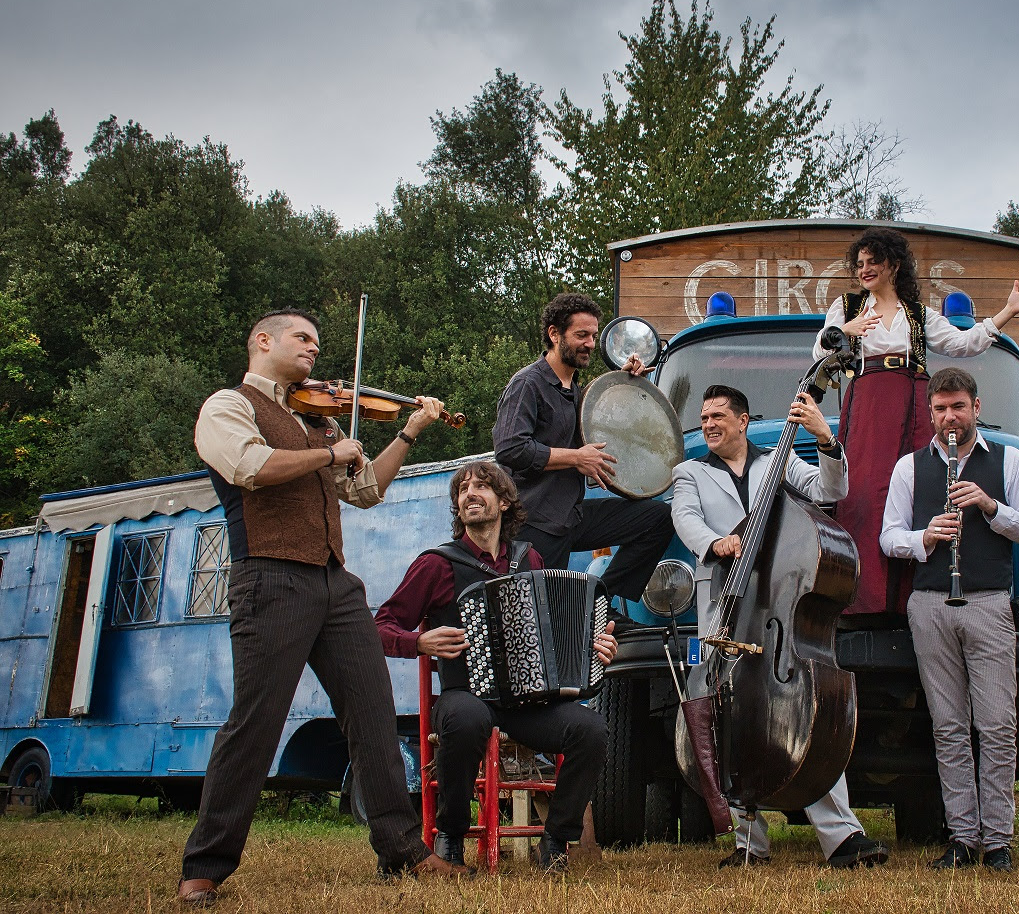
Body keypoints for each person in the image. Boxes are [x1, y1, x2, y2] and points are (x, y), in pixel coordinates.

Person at [178, 308, 466, 905]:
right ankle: (205, 866)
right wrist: (330, 455)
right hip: (269, 577)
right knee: (255, 722)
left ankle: (403, 850)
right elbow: (250, 467)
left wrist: (408, 431)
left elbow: (367, 491)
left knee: (372, 713)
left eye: (317, 341)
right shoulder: (227, 406)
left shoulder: (317, 420)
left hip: (335, 585)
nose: (314, 349)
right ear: (262, 340)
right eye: (302, 337)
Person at [671, 384, 890, 870]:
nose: (708, 424)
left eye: (718, 416)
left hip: (777, 604)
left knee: (806, 712)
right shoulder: (690, 473)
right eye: (703, 417)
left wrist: (826, 441)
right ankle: (749, 843)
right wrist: (716, 543)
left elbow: (830, 492)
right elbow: (685, 519)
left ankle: (842, 836)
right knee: (727, 715)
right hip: (725, 605)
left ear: (744, 421)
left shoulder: (778, 460)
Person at [375, 460, 615, 874]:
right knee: (466, 718)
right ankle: (450, 834)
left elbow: (556, 628)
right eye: (462, 489)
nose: (469, 493)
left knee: (590, 729)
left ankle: (555, 838)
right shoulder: (437, 563)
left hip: (530, 703)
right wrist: (419, 641)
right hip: (465, 694)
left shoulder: (529, 558)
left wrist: (595, 645)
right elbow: (381, 626)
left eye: (481, 487)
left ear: (504, 502)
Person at [814, 227, 1019, 617]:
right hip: (869, 402)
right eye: (859, 265)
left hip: (912, 403)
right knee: (864, 491)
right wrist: (844, 332)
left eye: (873, 262)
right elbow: (819, 350)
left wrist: (1009, 311)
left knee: (919, 489)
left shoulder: (918, 314)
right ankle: (865, 602)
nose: (864, 270)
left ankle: (917, 594)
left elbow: (964, 344)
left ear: (892, 264)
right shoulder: (847, 306)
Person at [880, 367, 1019, 871]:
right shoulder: (909, 467)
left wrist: (990, 507)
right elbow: (889, 537)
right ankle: (962, 838)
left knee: (996, 725)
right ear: (930, 413)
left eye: (958, 407)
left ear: (976, 408)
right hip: (930, 604)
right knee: (948, 726)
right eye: (940, 409)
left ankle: (998, 842)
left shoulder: (1010, 461)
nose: (949, 418)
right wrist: (925, 538)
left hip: (990, 603)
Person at [492, 292, 674, 607]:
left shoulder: (575, 391)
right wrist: (577, 458)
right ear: (554, 334)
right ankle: (584, 615)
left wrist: (625, 381)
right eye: (581, 335)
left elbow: (605, 423)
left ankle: (599, 602)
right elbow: (510, 448)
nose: (590, 343)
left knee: (657, 518)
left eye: (593, 335)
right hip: (534, 523)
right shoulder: (528, 384)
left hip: (570, 516)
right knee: (545, 621)